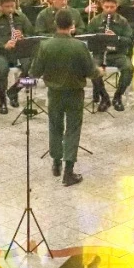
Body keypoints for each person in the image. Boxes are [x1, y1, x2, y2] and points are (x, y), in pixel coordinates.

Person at [30, 10, 98, 187]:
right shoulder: (79, 46)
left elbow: (34, 73)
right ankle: (69, 172)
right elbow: (91, 72)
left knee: (55, 127)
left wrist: (21, 84)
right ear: (72, 25)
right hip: (75, 93)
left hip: (54, 93)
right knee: (73, 129)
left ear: (55, 24)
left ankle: (56, 163)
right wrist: (100, 71)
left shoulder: (45, 46)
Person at [0, 0, 34, 114]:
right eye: (7, 7)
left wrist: (23, 36)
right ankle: (2, 100)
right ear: (0, 5)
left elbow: (32, 34)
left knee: (32, 66)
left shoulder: (21, 16)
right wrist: (3, 45)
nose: (11, 9)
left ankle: (14, 91)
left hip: (19, 51)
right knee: (2, 69)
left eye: (13, 6)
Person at [84, 0, 134, 111]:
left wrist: (116, 38)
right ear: (102, 6)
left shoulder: (122, 21)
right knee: (93, 69)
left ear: (116, 6)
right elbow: (89, 40)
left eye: (112, 7)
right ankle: (104, 97)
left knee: (129, 68)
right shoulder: (95, 21)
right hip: (100, 54)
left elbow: (129, 40)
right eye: (106, 7)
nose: (109, 10)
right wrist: (100, 38)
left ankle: (117, 97)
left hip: (117, 54)